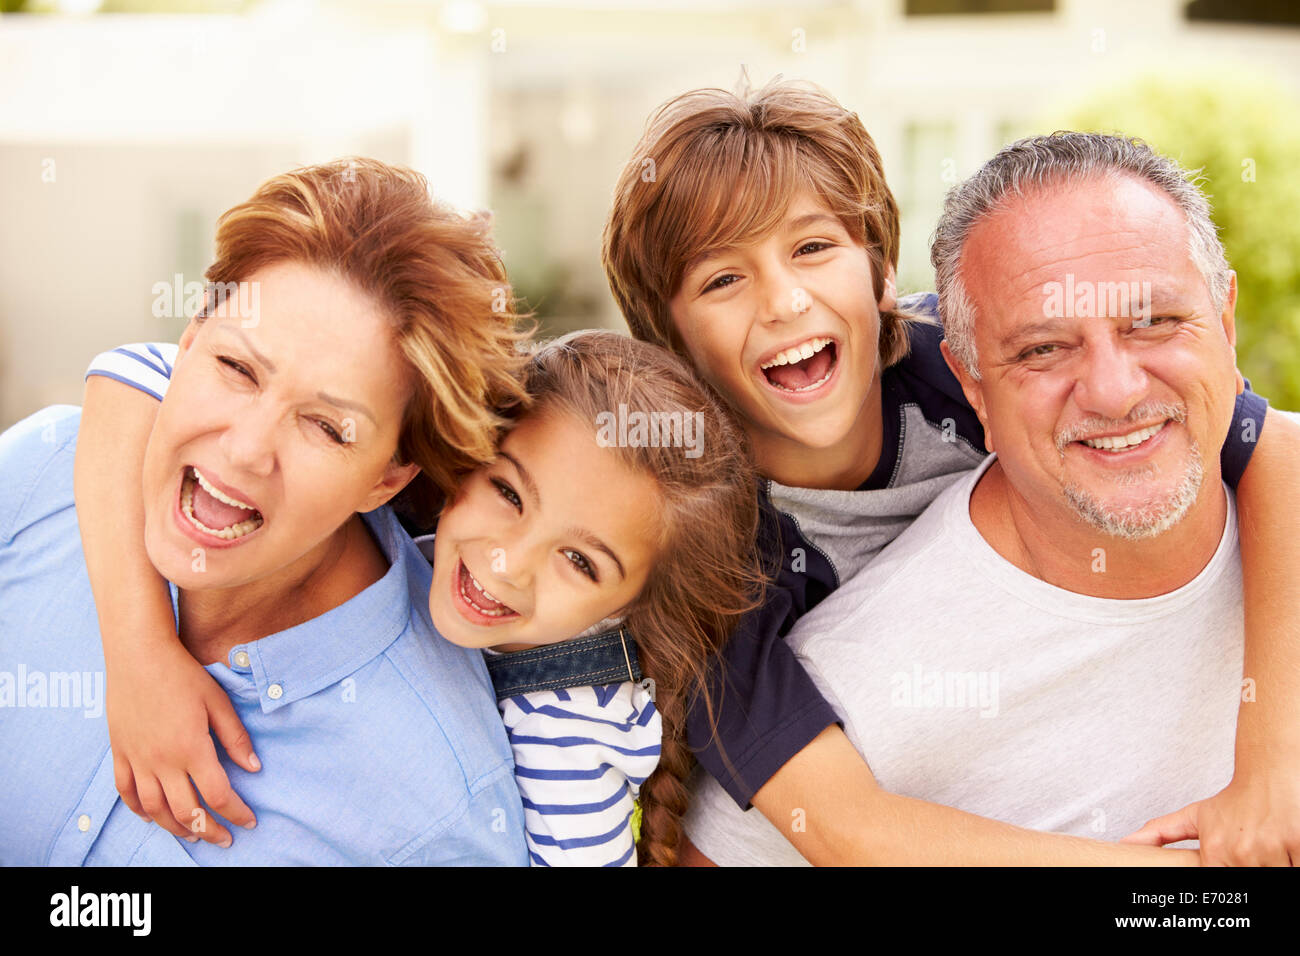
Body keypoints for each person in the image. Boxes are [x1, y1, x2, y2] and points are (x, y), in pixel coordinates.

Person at [601, 80, 1300, 864]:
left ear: (881, 274)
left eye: (812, 247)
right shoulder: (708, 564)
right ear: (670, 347)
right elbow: (848, 828)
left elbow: (1268, 442)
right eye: (722, 280)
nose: (785, 301)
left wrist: (1272, 767)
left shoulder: (972, 355)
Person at [0, 158, 530, 865]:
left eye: (326, 427)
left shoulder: (433, 812)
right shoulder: (39, 475)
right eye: (238, 369)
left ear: (388, 478)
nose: (247, 449)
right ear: (187, 344)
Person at [82, 329, 762, 866]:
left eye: (580, 562)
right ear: (468, 451)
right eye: (507, 493)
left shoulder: (566, 749)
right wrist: (139, 653)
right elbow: (134, 374)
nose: (508, 563)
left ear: (633, 605)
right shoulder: (385, 491)